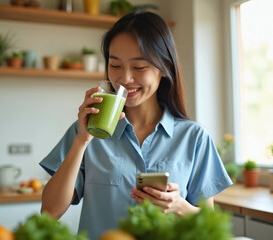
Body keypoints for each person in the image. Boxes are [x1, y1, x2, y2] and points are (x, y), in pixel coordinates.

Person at [40, 11, 232, 240]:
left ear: (164, 68)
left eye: (139, 67)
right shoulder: (86, 132)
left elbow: (207, 226)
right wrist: (81, 141)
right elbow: (49, 212)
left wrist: (179, 206)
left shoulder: (194, 137)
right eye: (115, 65)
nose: (125, 78)